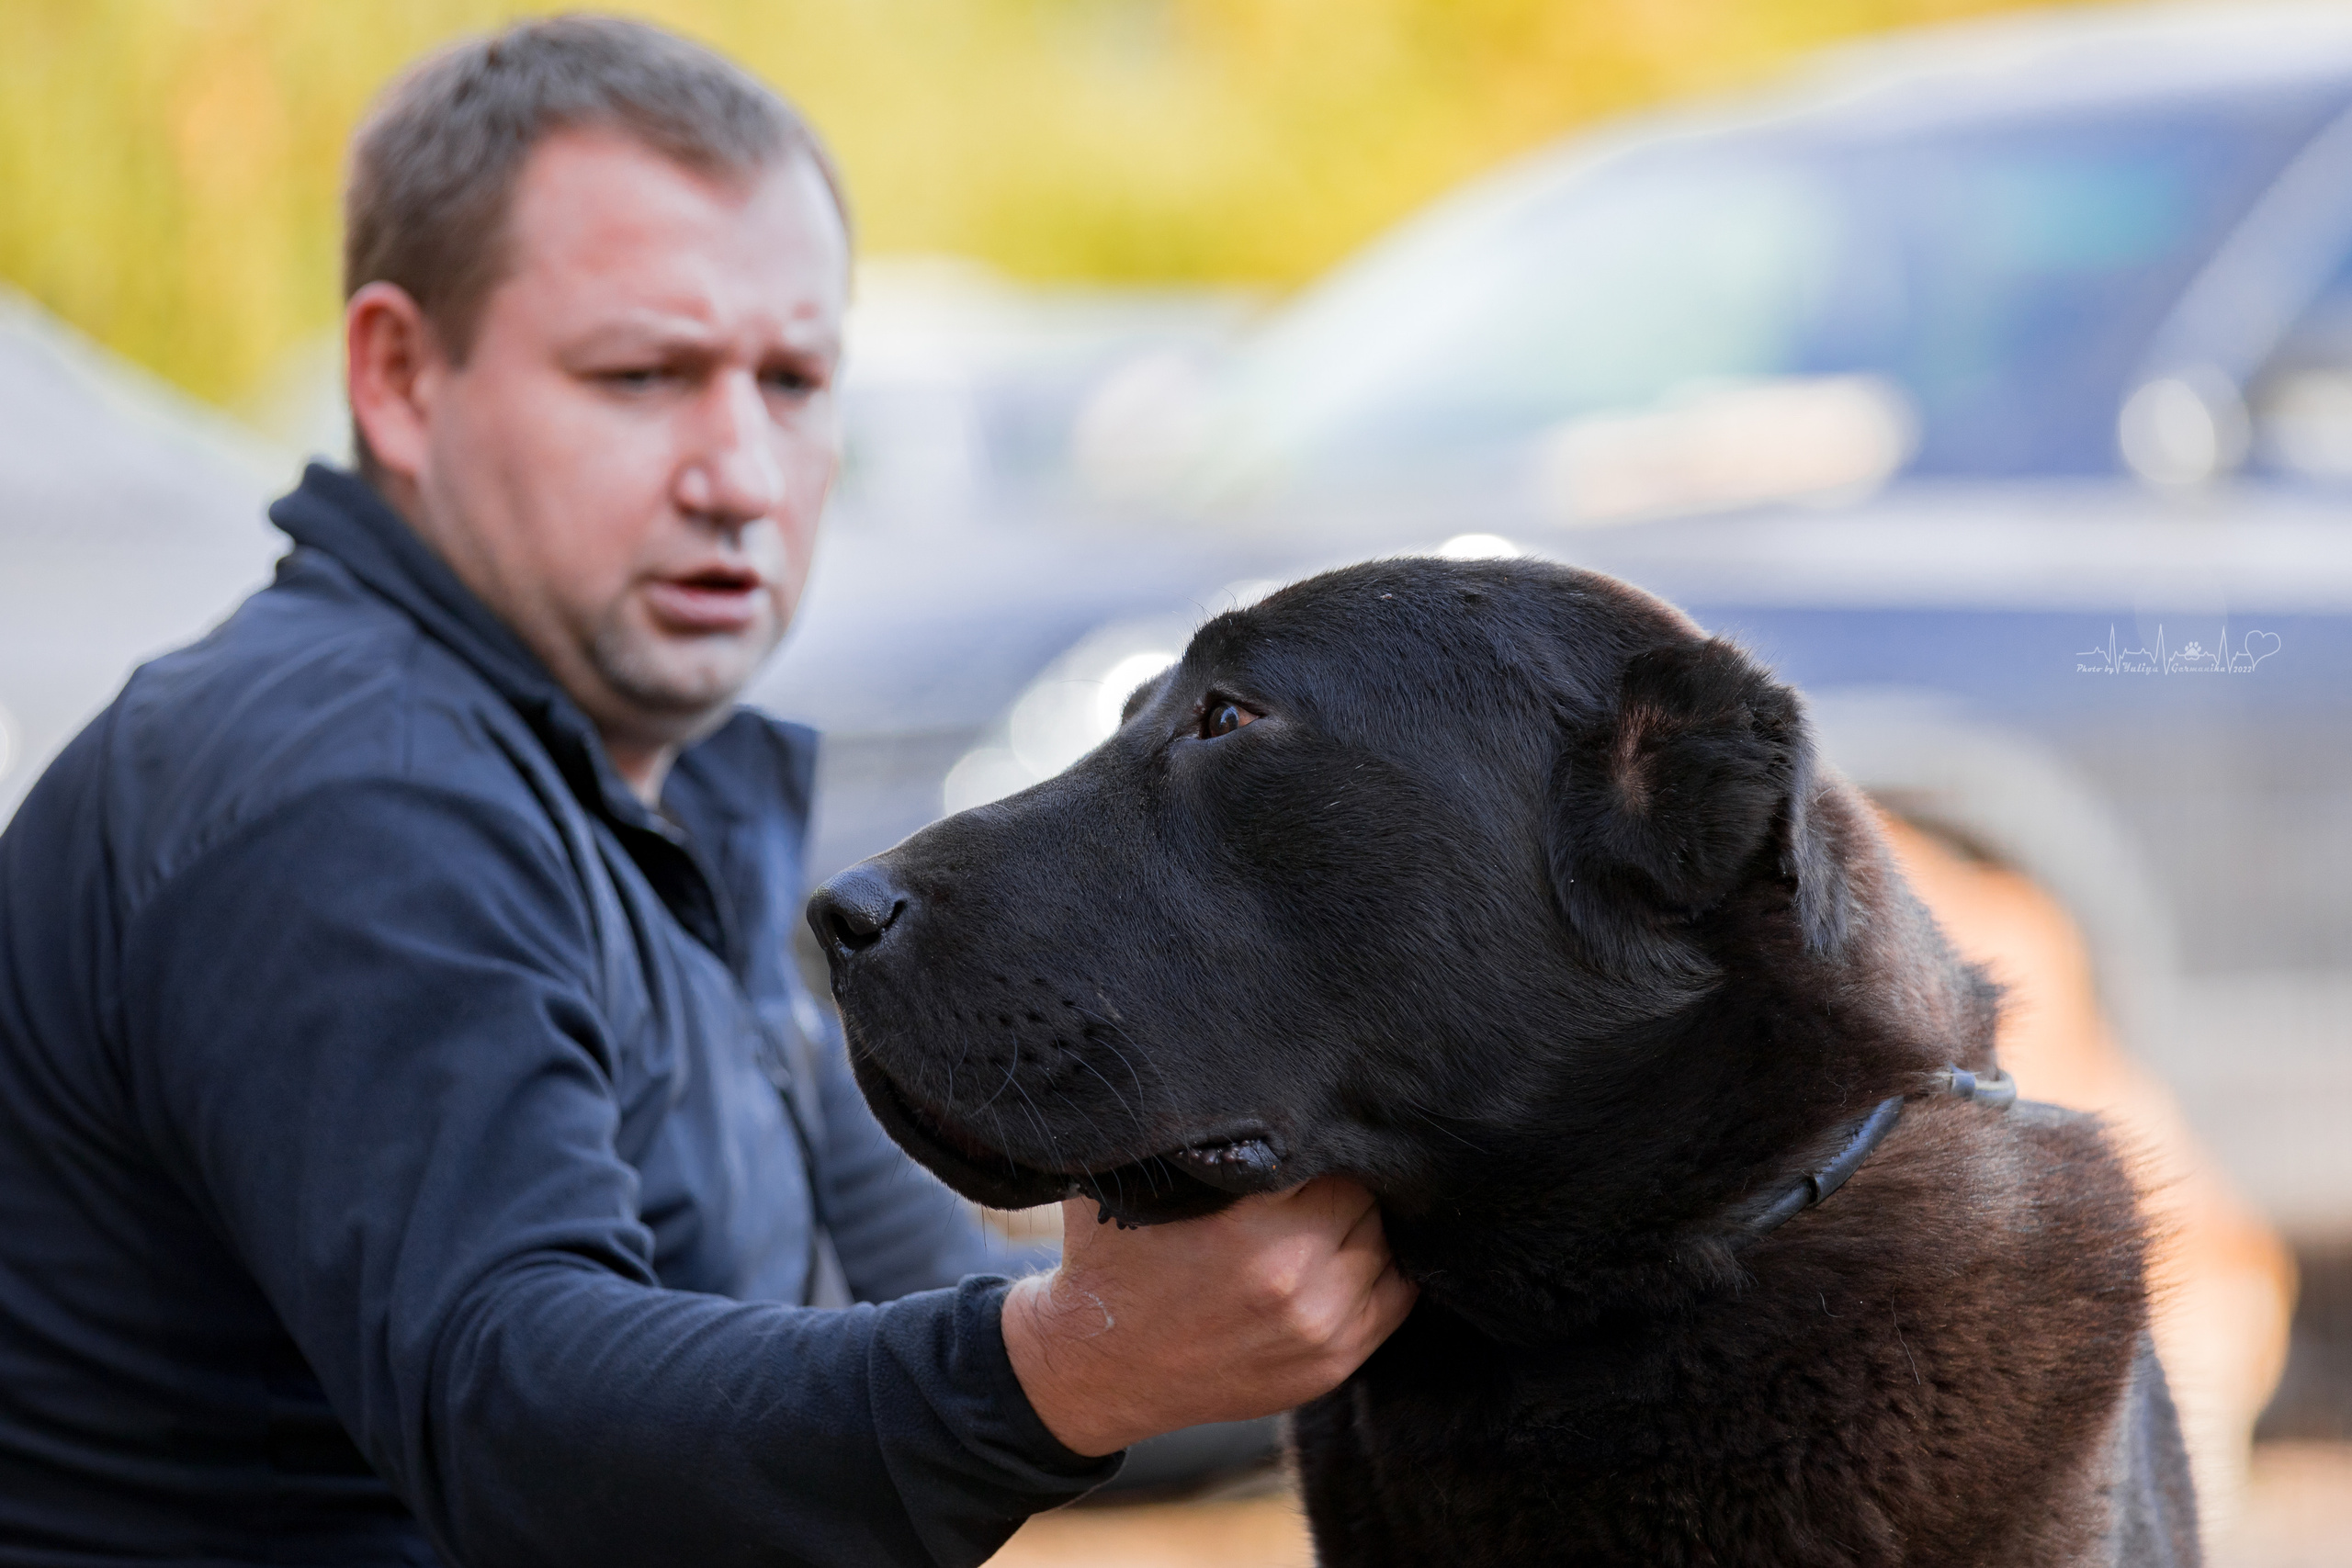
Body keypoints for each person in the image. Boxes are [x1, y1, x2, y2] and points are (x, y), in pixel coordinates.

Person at [0, 17, 1414, 1566]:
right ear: (400, 378)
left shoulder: (646, 797)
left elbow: (939, 1315)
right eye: (645, 375)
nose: (740, 471)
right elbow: (520, 1411)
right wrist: (1078, 1362)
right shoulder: (341, 784)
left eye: (794, 379)